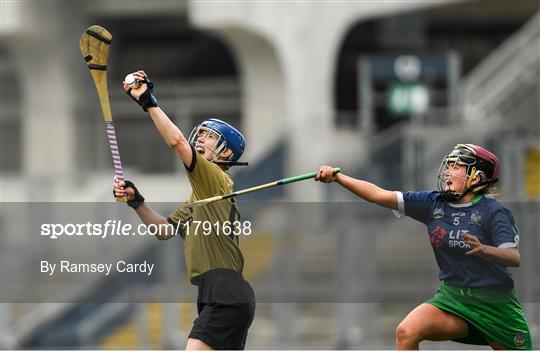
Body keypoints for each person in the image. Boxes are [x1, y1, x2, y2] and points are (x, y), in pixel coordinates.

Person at [315, 143, 532, 350]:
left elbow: (513, 257)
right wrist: (338, 178)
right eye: (448, 165)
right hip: (453, 298)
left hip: (494, 304)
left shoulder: (494, 212)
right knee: (406, 331)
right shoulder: (433, 203)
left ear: (478, 178)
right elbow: (379, 195)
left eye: (456, 167)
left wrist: (484, 248)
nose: (448, 171)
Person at [113, 70, 255, 350]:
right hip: (216, 292)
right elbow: (164, 230)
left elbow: (177, 142)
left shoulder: (215, 177)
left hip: (225, 290)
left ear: (226, 153)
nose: (200, 140)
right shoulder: (199, 196)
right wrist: (137, 202)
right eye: (200, 135)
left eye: (209, 138)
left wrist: (148, 102)